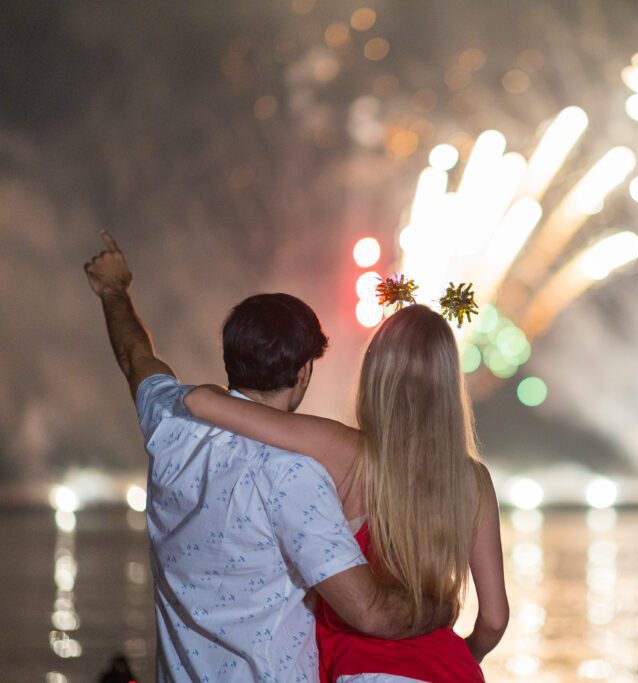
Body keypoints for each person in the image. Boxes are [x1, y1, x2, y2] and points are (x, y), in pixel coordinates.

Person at [84, 232, 448, 682]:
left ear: (230, 357)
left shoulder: (170, 425)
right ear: (303, 372)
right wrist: (436, 605)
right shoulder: (293, 475)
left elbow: (134, 354)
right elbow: (370, 611)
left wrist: (114, 290)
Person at [184, 301, 510, 682]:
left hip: (364, 672)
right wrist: (459, 657)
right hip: (453, 669)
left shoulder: (347, 452)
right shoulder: (474, 481)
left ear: (376, 374)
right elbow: (494, 619)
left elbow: (199, 402)